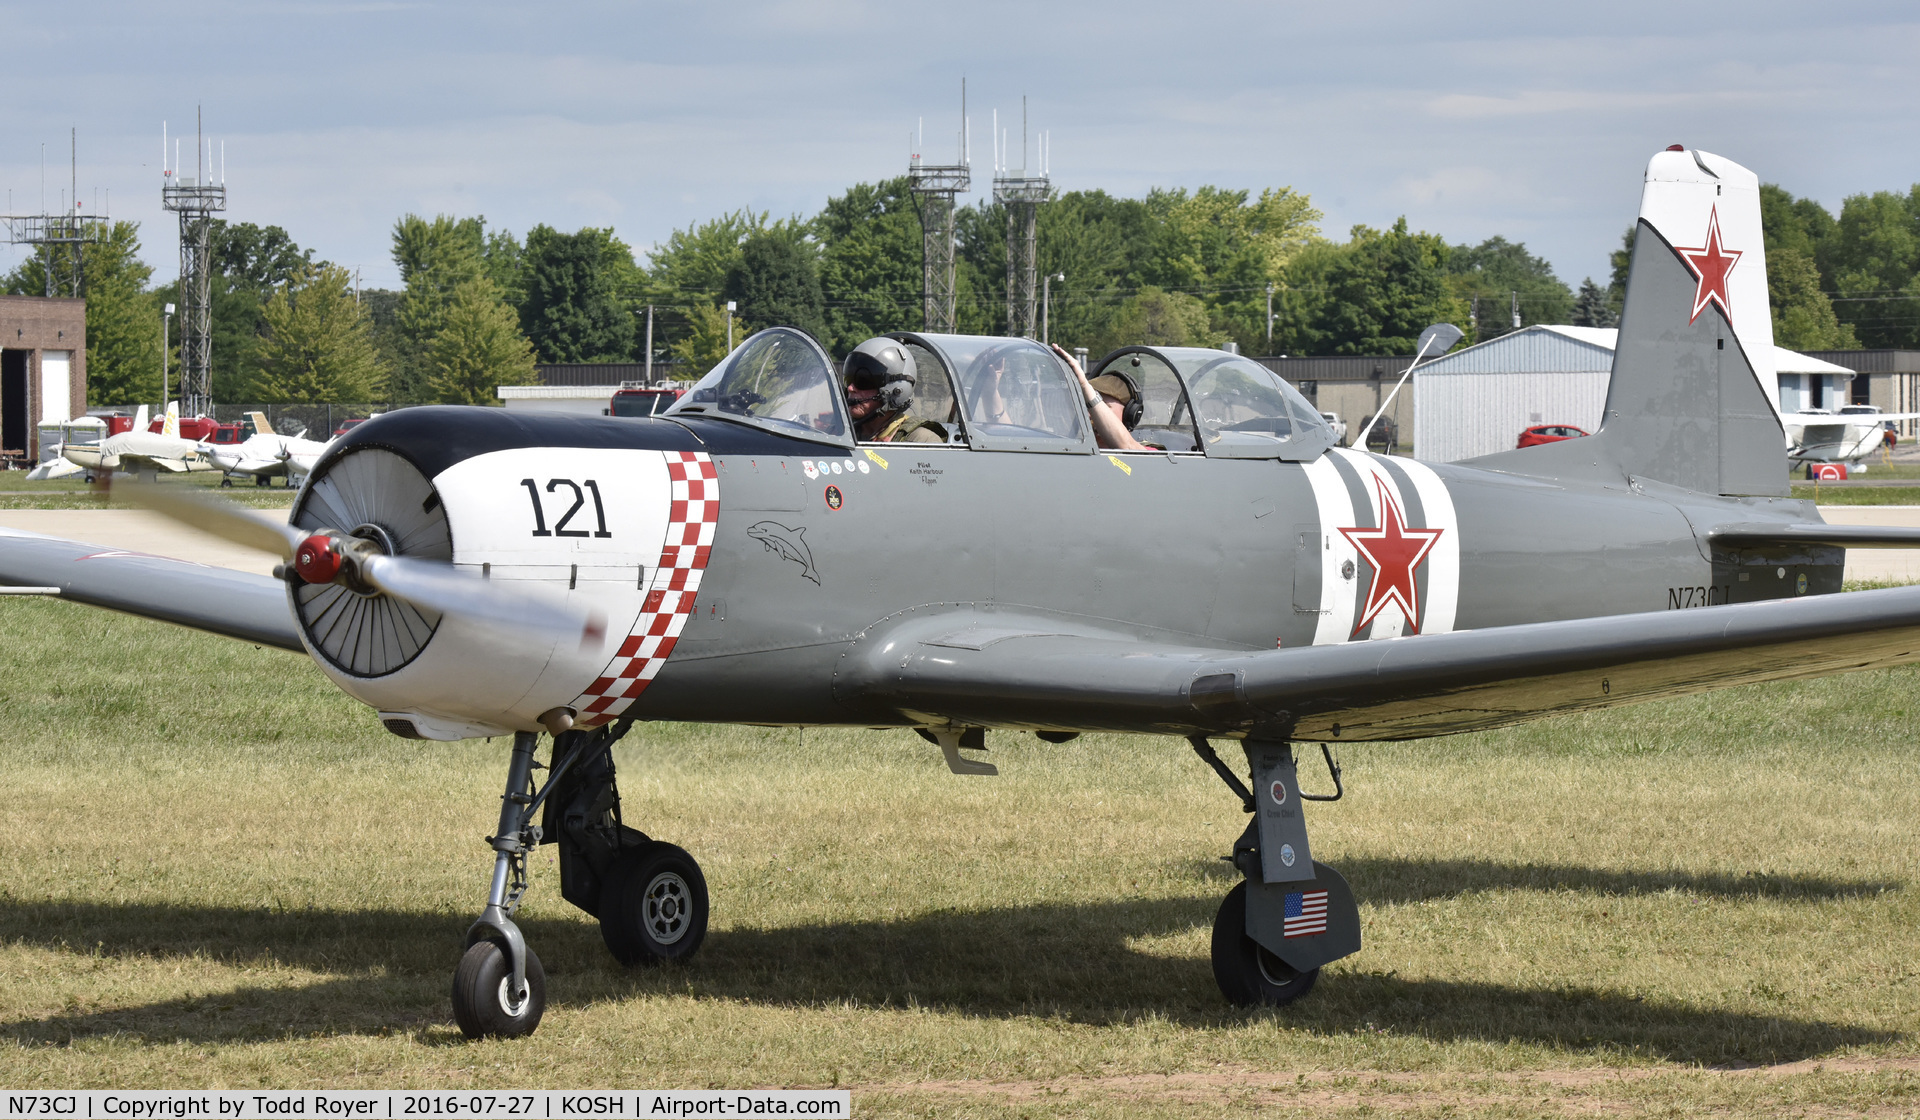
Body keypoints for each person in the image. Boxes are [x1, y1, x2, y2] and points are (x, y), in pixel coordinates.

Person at [843, 338, 946, 444]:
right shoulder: (839, 434)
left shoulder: (921, 441)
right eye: (849, 379)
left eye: (863, 381)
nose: (851, 388)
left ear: (896, 389)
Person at [1052, 343, 1149, 451]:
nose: (1091, 413)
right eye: (1088, 407)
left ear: (1130, 415)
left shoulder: (1154, 456)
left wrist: (1084, 385)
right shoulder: (1074, 449)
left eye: (1104, 405)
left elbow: (1128, 447)